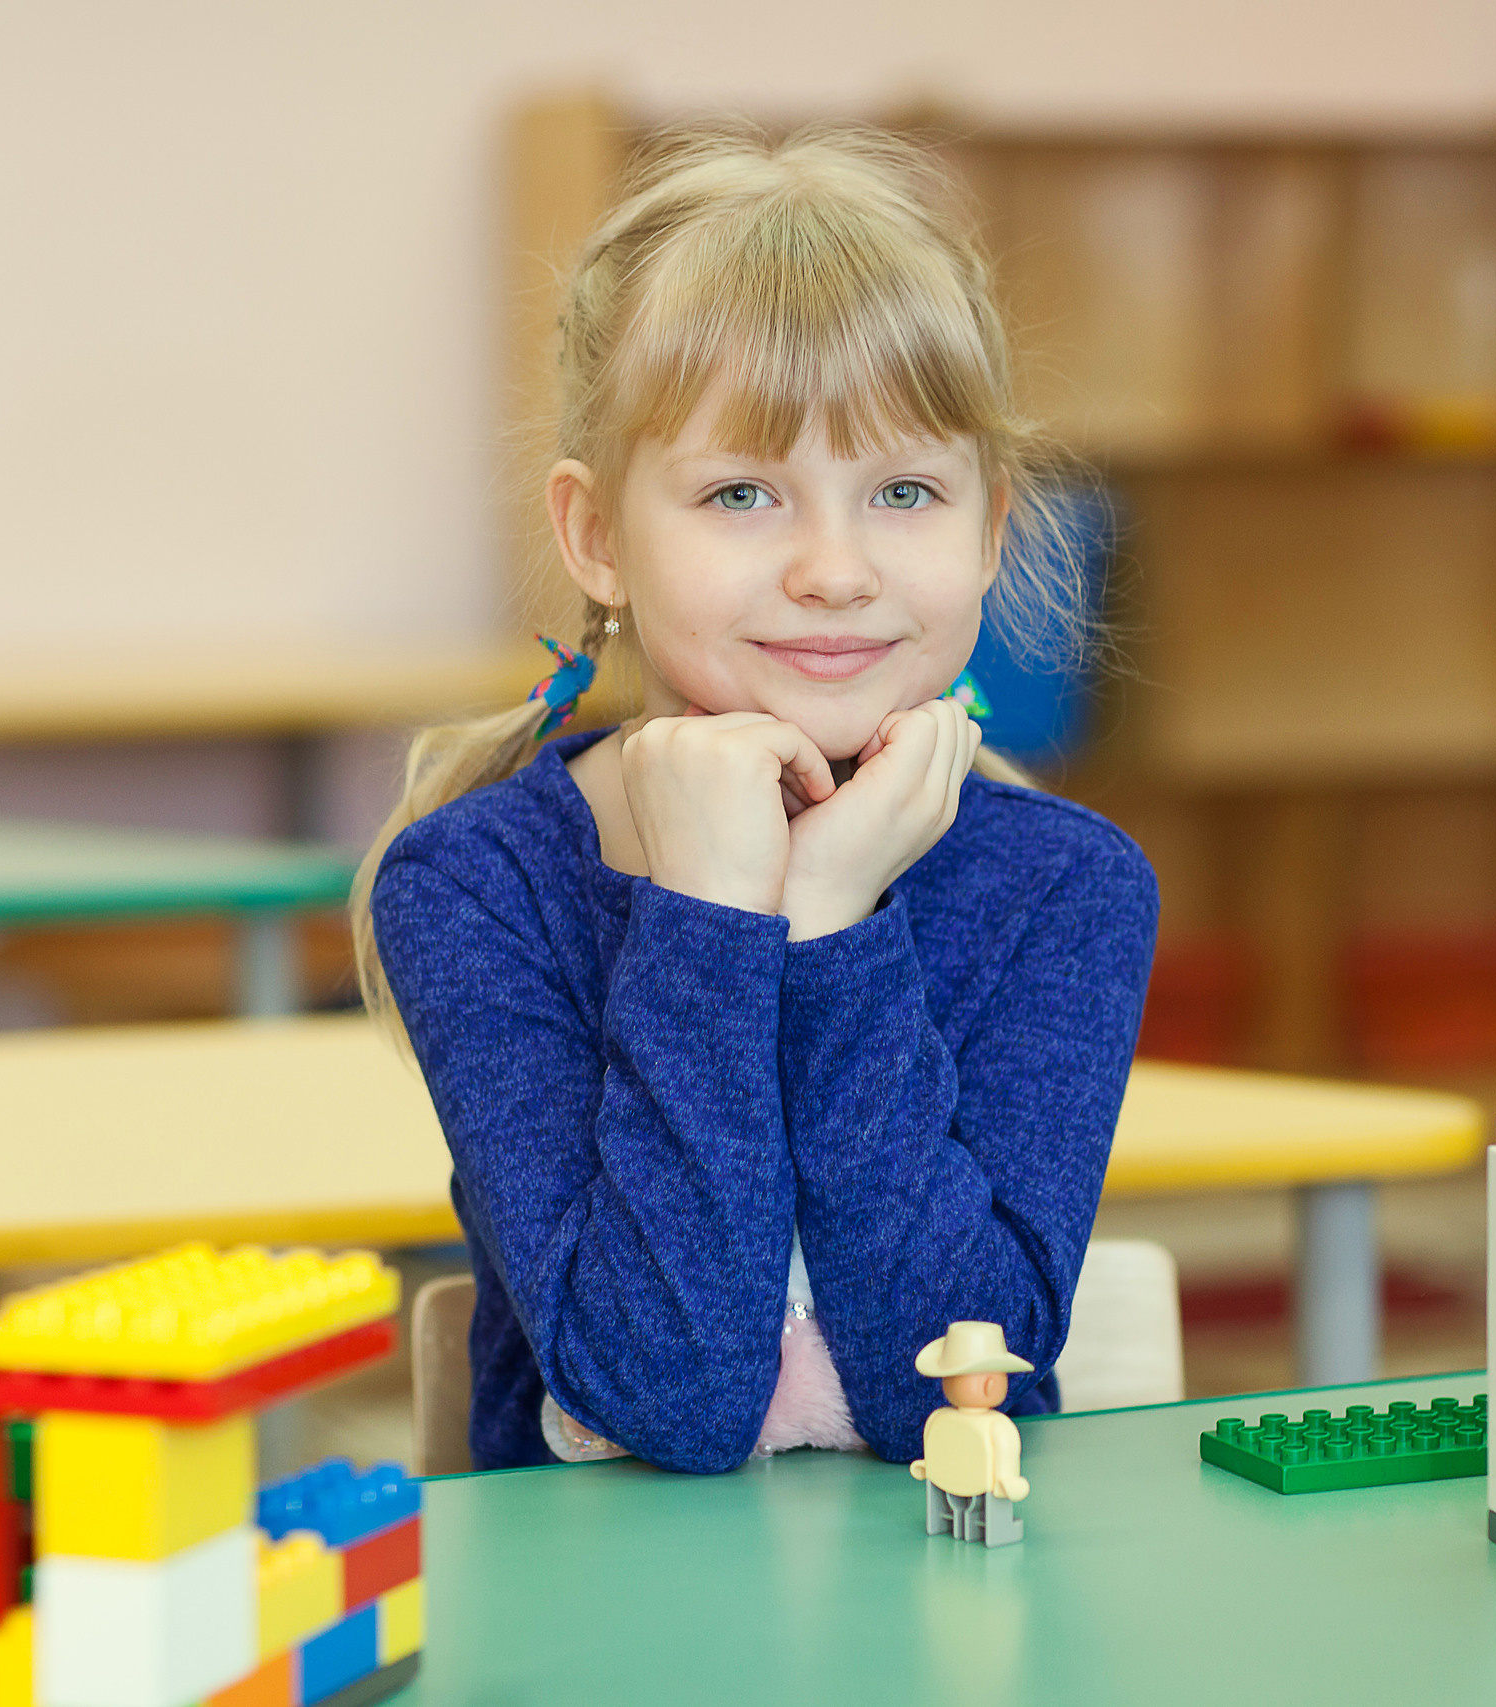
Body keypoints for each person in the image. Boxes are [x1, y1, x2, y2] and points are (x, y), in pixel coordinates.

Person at [358, 123, 1158, 1473]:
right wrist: (711, 913)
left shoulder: (1064, 887)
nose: (835, 569)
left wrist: (835, 920)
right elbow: (665, 1387)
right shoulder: (478, 882)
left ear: (993, 528)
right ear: (598, 535)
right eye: (743, 492)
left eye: (904, 490)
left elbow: (948, 1388)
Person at [911, 1320, 1034, 1547]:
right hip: (950, 1483)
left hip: (981, 1489)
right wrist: (927, 1466)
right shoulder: (943, 1420)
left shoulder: (942, 1420)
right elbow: (933, 1449)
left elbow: (1005, 1455)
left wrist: (1008, 1481)